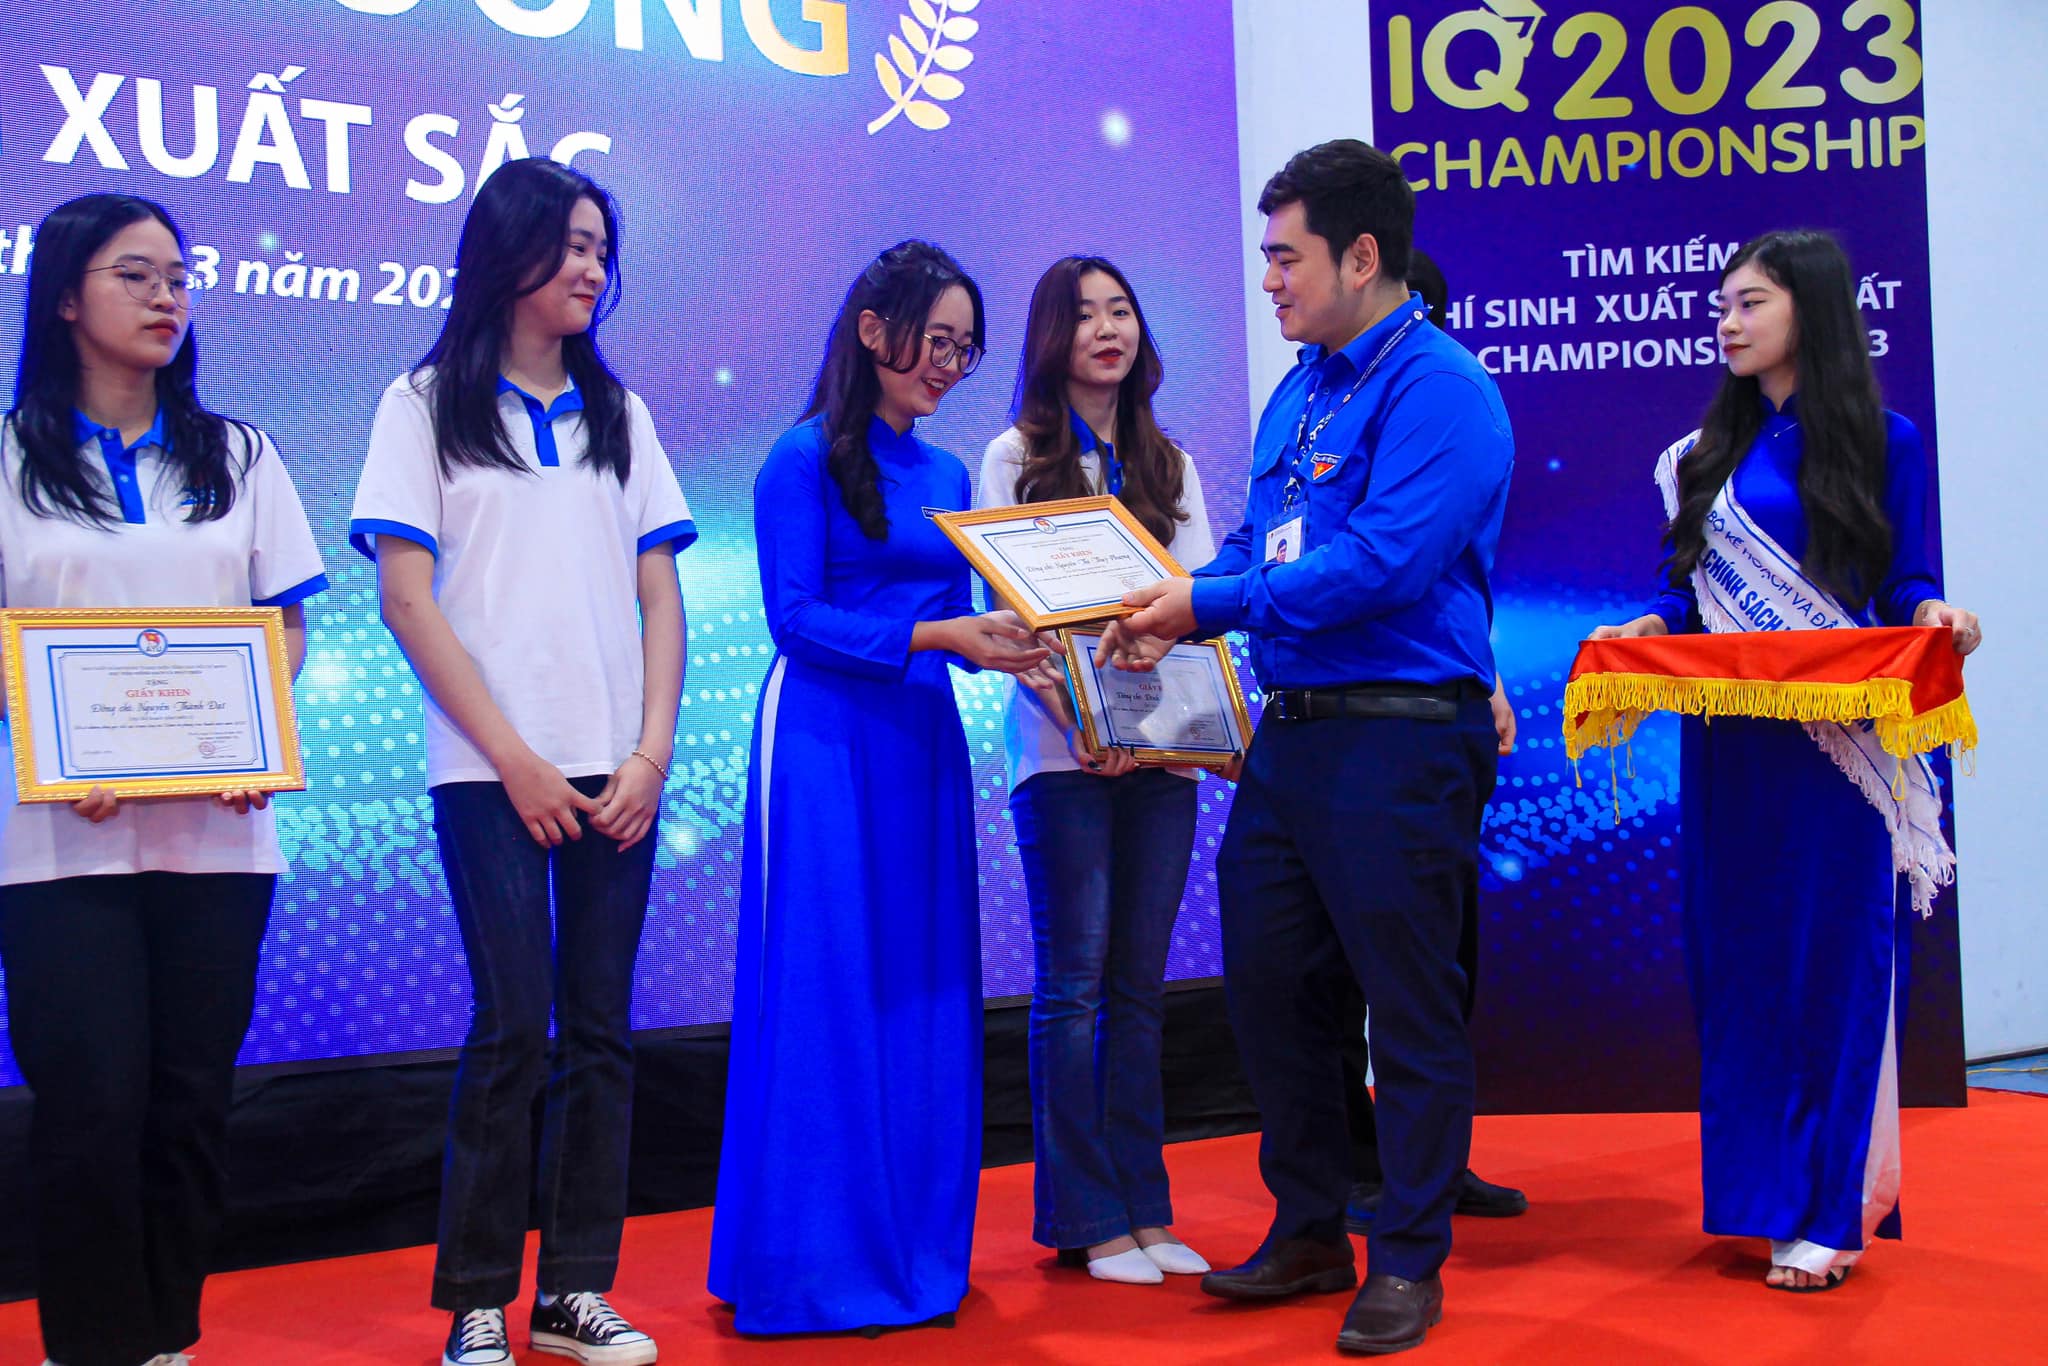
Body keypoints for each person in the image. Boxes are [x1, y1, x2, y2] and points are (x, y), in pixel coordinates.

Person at [1100, 139, 1513, 1355]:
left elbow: (1379, 565)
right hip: (1289, 743)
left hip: (1400, 738)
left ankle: (1408, 1257)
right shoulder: (1301, 388)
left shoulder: (1439, 389)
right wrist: (1168, 599)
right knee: (1276, 995)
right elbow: (1255, 544)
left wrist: (1205, 604)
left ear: (1361, 256)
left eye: (1285, 256)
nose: (1268, 279)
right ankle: (1308, 1228)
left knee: (1407, 1008)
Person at [1588, 229, 1981, 1293]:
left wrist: (1932, 613)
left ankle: (1832, 1209)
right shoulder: (1700, 455)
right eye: (1720, 304)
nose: (1726, 321)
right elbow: (1681, 594)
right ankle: (1763, 1199)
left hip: (1836, 750)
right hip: (1732, 745)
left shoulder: (1883, 440)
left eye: (1749, 302)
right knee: (1742, 968)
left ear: (1809, 307)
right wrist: (1646, 623)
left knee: (1832, 965)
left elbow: (1905, 578)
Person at [350, 158, 693, 1366]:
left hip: (617, 770)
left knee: (600, 1030)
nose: (592, 268)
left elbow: (660, 592)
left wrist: (649, 752)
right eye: (571, 245)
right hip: (488, 772)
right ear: (508, 252)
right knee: (511, 1026)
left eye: (602, 248)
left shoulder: (621, 413)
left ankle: (574, 1290)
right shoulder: (422, 404)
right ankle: (479, 1300)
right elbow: (405, 598)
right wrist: (513, 758)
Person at [0, 193, 327, 1366]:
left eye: (178, 278)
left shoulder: (239, 455)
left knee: (188, 1102)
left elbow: (285, 621)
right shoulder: (9, 457)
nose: (165, 297)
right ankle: (92, 1346)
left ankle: (166, 1339)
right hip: (56, 845)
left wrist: (251, 732)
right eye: (134, 275)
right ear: (64, 296)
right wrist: (50, 739)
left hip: (218, 837)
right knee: (90, 1105)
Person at [707, 240, 1048, 1335]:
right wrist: (944, 636)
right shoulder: (797, 457)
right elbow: (795, 620)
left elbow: (957, 625)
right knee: (825, 986)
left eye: (964, 348)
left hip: (917, 744)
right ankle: (809, 1259)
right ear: (871, 330)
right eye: (934, 340)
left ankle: (907, 1248)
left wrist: (1025, 646)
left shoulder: (947, 475)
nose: (947, 364)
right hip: (820, 743)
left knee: (922, 984)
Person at [975, 256, 1215, 1285]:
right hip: (1060, 754)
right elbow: (1007, 621)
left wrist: (1157, 715)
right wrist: (1077, 718)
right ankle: (1086, 1217)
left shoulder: (1172, 464)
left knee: (1138, 988)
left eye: (1121, 310)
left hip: (1165, 749)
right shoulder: (1011, 458)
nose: (1108, 329)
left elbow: (1200, 605)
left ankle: (1146, 1209)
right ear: (1050, 337)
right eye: (1084, 316)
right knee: (1072, 987)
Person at [1339, 246, 1526, 1232]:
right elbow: (1357, 566)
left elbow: (1449, 579)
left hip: (1436, 716)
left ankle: (1434, 1164)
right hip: (1344, 729)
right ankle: (1361, 1168)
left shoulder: (1449, 405)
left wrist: (1483, 678)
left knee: (1439, 957)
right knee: (1343, 971)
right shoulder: (1322, 412)